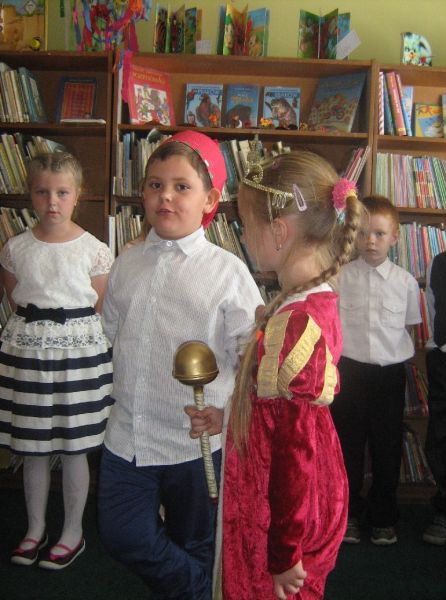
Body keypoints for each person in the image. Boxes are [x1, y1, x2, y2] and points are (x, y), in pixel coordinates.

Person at [186, 147, 363, 600]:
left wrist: (284, 552)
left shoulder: (297, 324)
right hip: (284, 497)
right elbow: (276, 414)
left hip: (280, 514)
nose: (244, 236)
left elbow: (295, 450)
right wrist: (230, 419)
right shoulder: (303, 302)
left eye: (247, 225)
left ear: (279, 231)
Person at [97, 130, 263, 600]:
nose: (165, 196)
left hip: (194, 443)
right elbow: (111, 332)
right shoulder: (127, 262)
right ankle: (203, 592)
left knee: (196, 542)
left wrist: (227, 412)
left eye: (181, 186)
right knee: (122, 534)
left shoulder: (228, 272)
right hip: (128, 434)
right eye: (155, 185)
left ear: (209, 199)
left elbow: (251, 358)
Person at [0, 152, 114, 569]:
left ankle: (72, 531)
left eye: (62, 192)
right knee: (32, 448)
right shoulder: (16, 247)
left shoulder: (94, 250)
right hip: (29, 355)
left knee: (73, 448)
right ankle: (34, 528)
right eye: (42, 192)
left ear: (77, 194)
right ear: (30, 194)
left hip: (78, 357)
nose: (52, 201)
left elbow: (98, 305)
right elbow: (15, 298)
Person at [331, 195, 422, 546]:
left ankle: (383, 517)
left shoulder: (405, 282)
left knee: (387, 447)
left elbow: (409, 327)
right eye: (363, 233)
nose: (370, 241)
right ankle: (350, 515)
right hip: (349, 373)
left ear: (395, 237)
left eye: (380, 234)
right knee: (348, 446)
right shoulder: (340, 278)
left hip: (388, 376)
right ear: (353, 235)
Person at [422, 204, 446, 546]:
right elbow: (432, 307)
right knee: (441, 437)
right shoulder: (439, 264)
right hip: (445, 361)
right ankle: (444, 509)